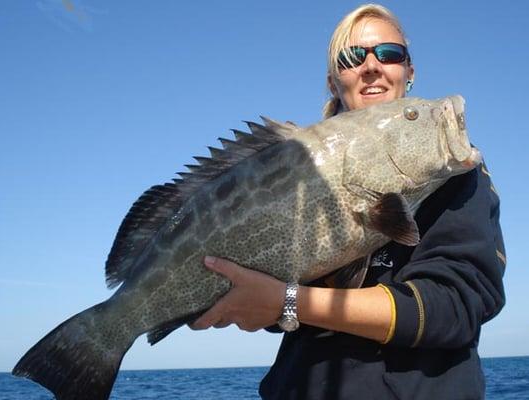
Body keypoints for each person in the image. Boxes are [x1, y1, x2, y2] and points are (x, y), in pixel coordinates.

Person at [191, 4, 506, 399]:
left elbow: (456, 306)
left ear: (410, 72)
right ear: (333, 82)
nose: (371, 65)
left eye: (389, 53)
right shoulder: (295, 170)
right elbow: (280, 303)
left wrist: (287, 302)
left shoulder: (451, 168)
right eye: (352, 57)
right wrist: (256, 305)